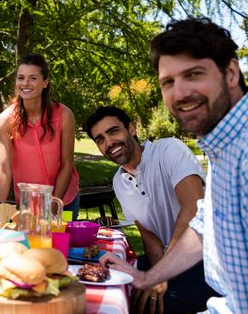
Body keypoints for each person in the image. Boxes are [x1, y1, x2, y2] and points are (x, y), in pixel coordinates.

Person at [100, 18, 248, 314]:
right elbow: (204, 227)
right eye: (168, 82)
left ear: (231, 73)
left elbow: (191, 210)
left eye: (193, 74)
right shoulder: (224, 149)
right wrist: (148, 276)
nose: (179, 94)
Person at [85, 105, 218, 313]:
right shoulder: (119, 182)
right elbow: (148, 234)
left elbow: (193, 207)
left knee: (156, 307)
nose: (109, 143)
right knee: (114, 282)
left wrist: (160, 274)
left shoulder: (168, 149)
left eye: (113, 131)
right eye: (100, 139)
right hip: (167, 257)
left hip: (206, 257)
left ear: (132, 129)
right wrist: (158, 272)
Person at [0, 54, 80, 218]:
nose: (25, 83)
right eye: (21, 78)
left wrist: (54, 205)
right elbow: (5, 169)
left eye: (33, 78)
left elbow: (67, 163)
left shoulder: (64, 115)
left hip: (65, 199)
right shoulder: (5, 120)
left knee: (61, 243)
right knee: (30, 243)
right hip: (28, 204)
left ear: (45, 82)